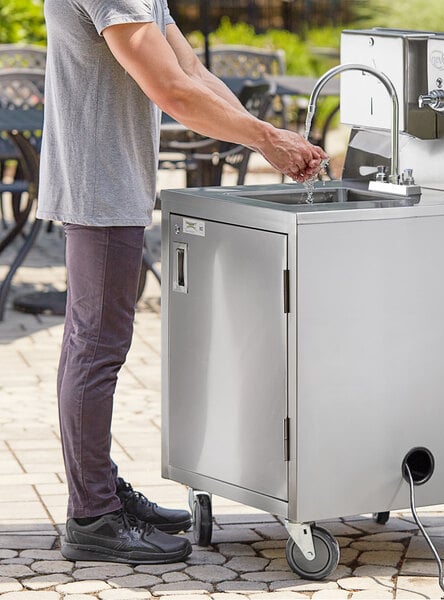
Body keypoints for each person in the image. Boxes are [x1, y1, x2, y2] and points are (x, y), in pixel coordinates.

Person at [37, 0, 328, 565]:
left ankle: (101, 490)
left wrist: (265, 134)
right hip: (100, 192)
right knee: (95, 350)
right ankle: (92, 516)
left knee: (96, 347)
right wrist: (265, 141)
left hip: (113, 186)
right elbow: (170, 90)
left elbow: (193, 72)